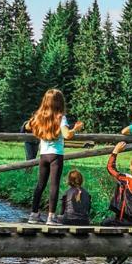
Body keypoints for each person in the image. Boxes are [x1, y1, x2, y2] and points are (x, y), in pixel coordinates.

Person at [26, 89, 83, 224]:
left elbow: (28, 126)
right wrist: (76, 128)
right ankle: (51, 217)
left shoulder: (40, 116)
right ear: (60, 102)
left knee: (40, 184)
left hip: (43, 155)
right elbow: (67, 135)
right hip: (56, 155)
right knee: (54, 185)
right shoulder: (60, 117)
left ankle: (34, 214)